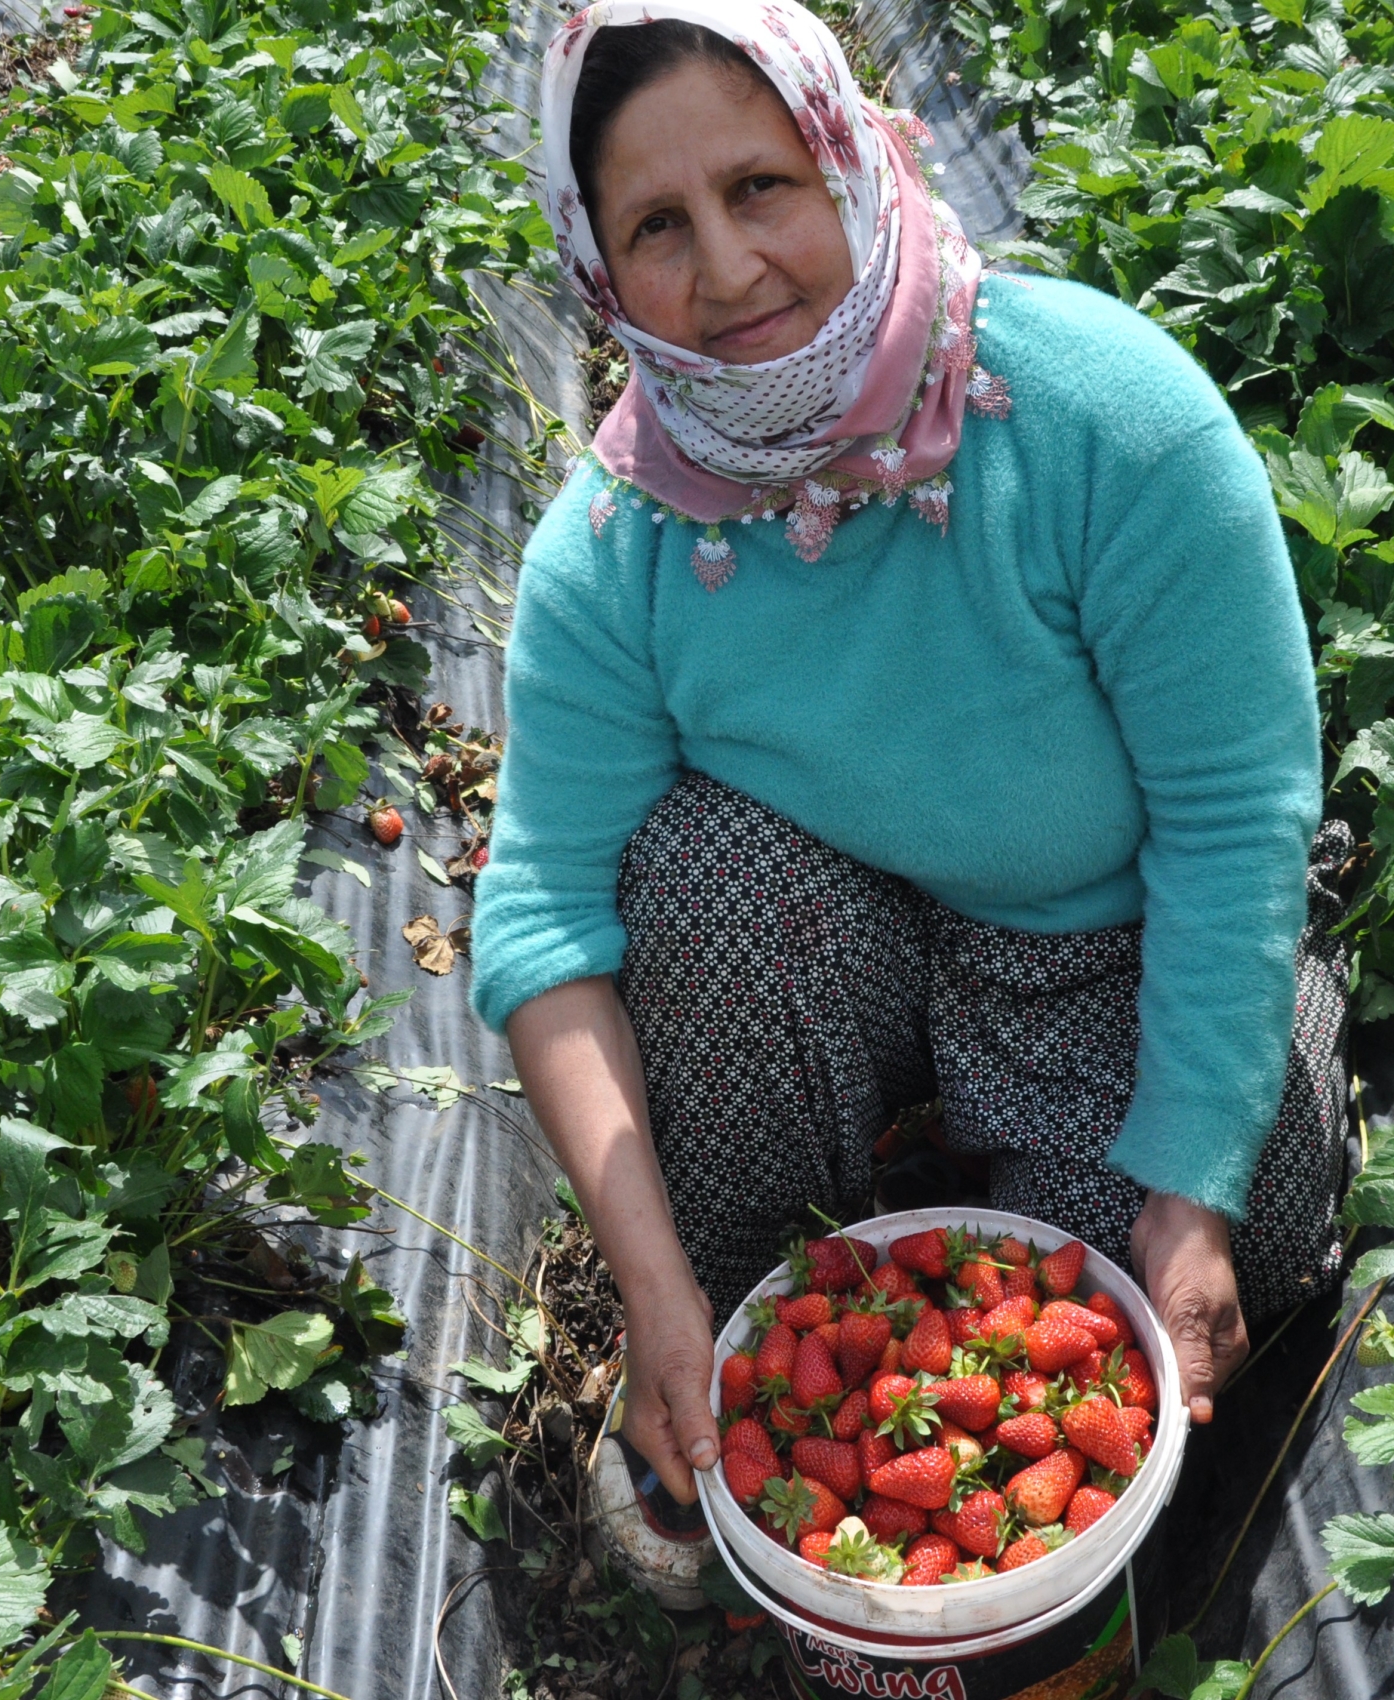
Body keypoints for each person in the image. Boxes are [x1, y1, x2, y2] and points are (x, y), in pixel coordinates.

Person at [469, 0, 1341, 1511]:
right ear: (597, 269)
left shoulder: (1101, 423)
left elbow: (1233, 816)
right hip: (851, 957)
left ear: (845, 155)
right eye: (657, 226)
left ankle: (1030, 1192)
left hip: (1108, 961)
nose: (729, 270)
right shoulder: (619, 550)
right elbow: (543, 922)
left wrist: (1189, 1193)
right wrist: (659, 1290)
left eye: (759, 188)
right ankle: (745, 1342)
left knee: (1196, 1246)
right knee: (694, 871)